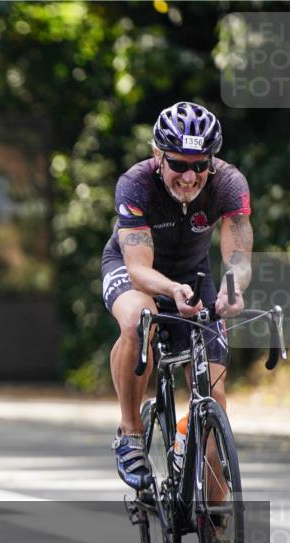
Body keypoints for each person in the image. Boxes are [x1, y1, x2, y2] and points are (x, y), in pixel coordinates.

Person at [101, 101, 252, 490]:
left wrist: (231, 290)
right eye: (179, 164)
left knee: (215, 401)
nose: (190, 176)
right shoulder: (135, 183)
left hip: (194, 275)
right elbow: (138, 268)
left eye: (200, 164)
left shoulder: (229, 183)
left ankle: (216, 532)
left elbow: (238, 256)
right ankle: (131, 432)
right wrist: (171, 289)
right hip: (135, 270)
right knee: (139, 320)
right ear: (158, 155)